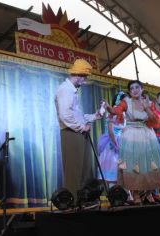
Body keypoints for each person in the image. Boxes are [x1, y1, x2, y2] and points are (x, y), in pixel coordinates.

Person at [106, 80, 160, 204]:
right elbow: (116, 111)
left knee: (149, 164)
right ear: (129, 91)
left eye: (137, 87)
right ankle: (136, 194)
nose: (135, 90)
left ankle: (149, 193)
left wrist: (146, 108)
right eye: (132, 88)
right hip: (132, 135)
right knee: (134, 165)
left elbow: (156, 121)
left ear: (142, 89)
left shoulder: (149, 103)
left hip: (147, 134)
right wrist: (109, 108)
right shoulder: (126, 102)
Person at [55, 59, 102, 200]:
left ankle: (81, 200)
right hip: (72, 133)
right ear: (79, 75)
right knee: (74, 170)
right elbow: (65, 115)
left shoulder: (72, 91)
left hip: (78, 132)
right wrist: (82, 127)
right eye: (85, 77)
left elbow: (77, 115)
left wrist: (95, 116)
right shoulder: (65, 89)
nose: (85, 80)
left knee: (83, 169)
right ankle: (73, 201)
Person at [97, 92, 127, 186]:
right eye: (124, 100)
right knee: (113, 167)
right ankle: (114, 193)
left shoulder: (124, 113)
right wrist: (116, 144)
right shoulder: (114, 111)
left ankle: (122, 193)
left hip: (121, 141)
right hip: (112, 142)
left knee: (121, 168)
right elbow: (111, 130)